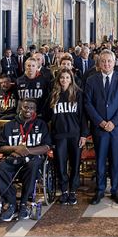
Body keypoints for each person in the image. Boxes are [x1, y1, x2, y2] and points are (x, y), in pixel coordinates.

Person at [84, 49, 118, 205]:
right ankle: (100, 190)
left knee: (116, 160)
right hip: (100, 128)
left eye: (109, 61)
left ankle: (115, 190)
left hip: (117, 128)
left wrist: (113, 122)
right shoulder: (91, 80)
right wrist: (101, 122)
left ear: (114, 62)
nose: (106, 64)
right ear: (99, 63)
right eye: (103, 61)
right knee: (100, 160)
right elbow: (87, 104)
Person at [0, 99, 51, 221]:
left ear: (35, 110)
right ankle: (11, 203)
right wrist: (16, 148)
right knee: (0, 168)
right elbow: (0, 146)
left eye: (31, 108)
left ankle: (25, 203)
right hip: (13, 158)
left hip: (32, 159)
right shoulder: (9, 125)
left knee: (33, 165)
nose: (28, 110)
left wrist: (27, 151)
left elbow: (47, 146)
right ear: (20, 108)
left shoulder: (41, 124)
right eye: (26, 107)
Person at [49, 69, 87, 205]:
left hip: (75, 134)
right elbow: (47, 116)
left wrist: (83, 134)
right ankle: (64, 190)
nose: (64, 80)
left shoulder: (78, 94)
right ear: (58, 79)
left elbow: (83, 116)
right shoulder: (54, 95)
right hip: (59, 135)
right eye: (62, 78)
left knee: (75, 165)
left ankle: (73, 192)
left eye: (67, 77)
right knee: (60, 165)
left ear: (71, 79)